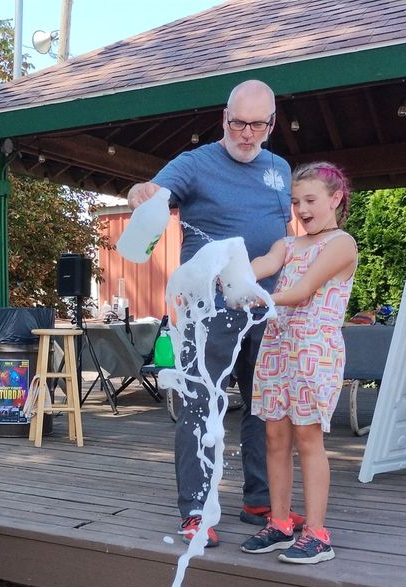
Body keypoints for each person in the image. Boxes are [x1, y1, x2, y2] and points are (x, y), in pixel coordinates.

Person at [126, 80, 294, 545]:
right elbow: (152, 192)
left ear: (271, 124)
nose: (246, 133)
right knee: (201, 407)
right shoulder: (194, 163)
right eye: (238, 123)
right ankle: (196, 511)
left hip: (262, 310)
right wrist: (141, 192)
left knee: (264, 409)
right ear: (224, 118)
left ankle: (259, 499)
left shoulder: (279, 168)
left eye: (256, 125)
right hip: (207, 315)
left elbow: (281, 237)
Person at [237, 162, 357, 564]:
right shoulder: (287, 244)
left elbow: (304, 291)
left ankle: (318, 533)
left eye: (310, 200)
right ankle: (281, 523)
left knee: (308, 439)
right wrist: (235, 274)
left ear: (335, 199)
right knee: (274, 437)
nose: (302, 209)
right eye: (295, 202)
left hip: (313, 351)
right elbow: (264, 266)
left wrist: (254, 295)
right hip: (276, 347)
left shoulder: (341, 244)